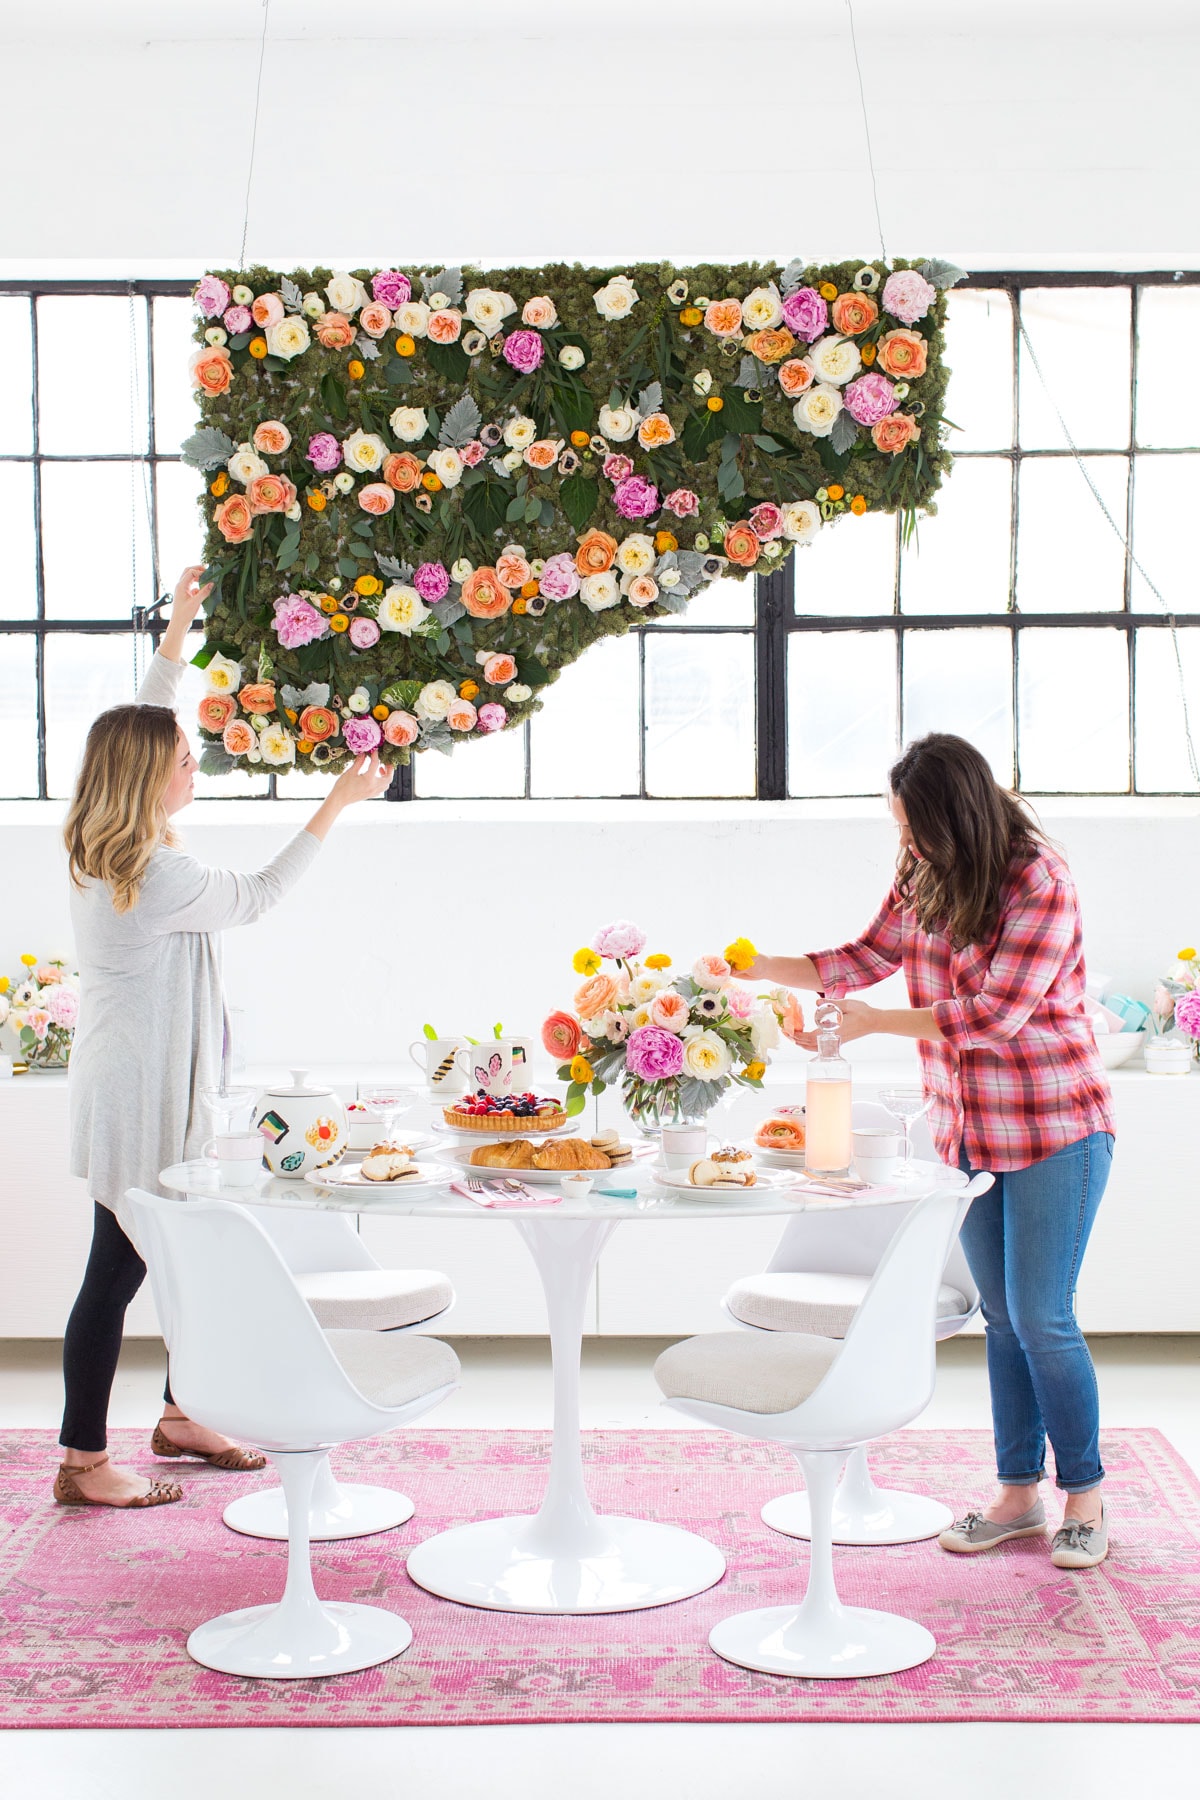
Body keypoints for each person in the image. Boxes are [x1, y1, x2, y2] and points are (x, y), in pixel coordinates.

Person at [57, 566, 392, 1508]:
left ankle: (175, 1416)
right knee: (118, 1271)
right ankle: (84, 1461)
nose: (193, 763)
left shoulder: (98, 838)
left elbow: (139, 719)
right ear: (149, 778)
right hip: (141, 1093)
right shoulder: (156, 874)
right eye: (185, 758)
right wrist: (338, 805)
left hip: (138, 1077)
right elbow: (263, 896)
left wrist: (179, 633)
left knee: (174, 1257)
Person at [747, 733, 1115, 1570]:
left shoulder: (1039, 882)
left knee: (1043, 1318)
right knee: (1002, 1321)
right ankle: (1018, 1495)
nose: (907, 848)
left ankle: (1085, 1498)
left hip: (1055, 1127)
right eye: (902, 833)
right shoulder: (923, 871)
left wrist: (876, 1024)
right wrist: (760, 966)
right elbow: (867, 956)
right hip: (970, 1131)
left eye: (918, 832)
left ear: (961, 818)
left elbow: (992, 1017)